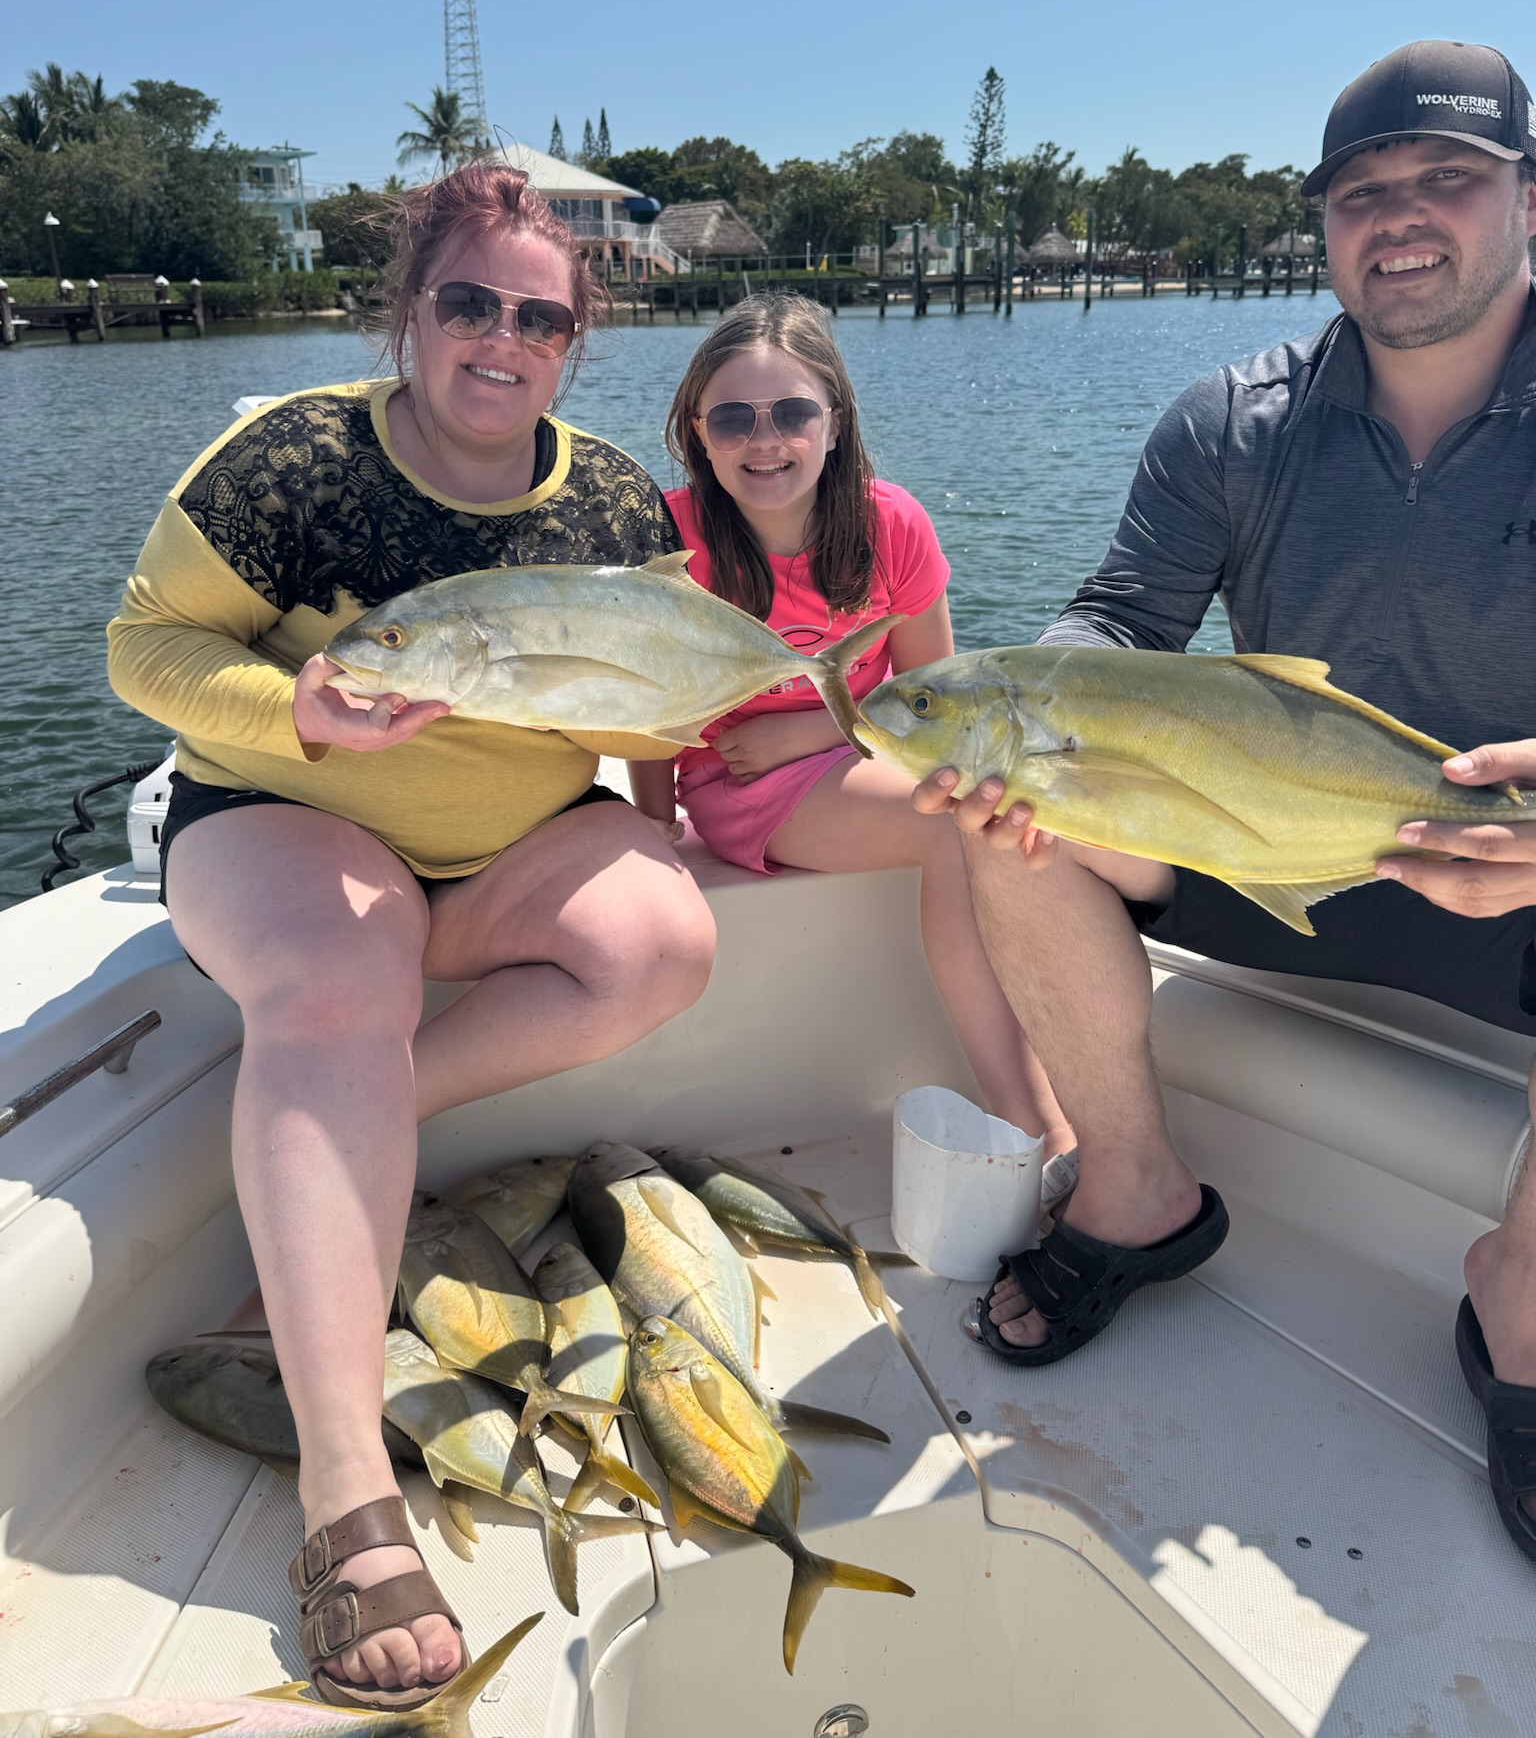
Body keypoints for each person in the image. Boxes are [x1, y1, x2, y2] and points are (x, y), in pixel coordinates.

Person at [912, 38, 1536, 1561]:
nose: (1401, 217)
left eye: (1446, 180)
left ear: (1527, 197)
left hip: (1518, 890)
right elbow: (1120, 613)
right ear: (1322, 225)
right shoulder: (1228, 420)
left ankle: (1519, 1296)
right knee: (1017, 818)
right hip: (1276, 864)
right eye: (1362, 193)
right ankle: (1131, 1191)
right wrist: (1029, 704)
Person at [106, 165, 716, 1706]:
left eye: (541, 317)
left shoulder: (614, 496)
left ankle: (360, 1133)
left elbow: (653, 681)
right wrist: (291, 709)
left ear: (576, 342)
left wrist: (683, 773)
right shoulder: (290, 457)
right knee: (341, 978)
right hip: (285, 823)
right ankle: (341, 1495)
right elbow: (142, 645)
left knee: (664, 942)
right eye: (468, 303)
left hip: (503, 845)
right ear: (410, 311)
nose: (501, 340)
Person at [628, 294, 1073, 1162]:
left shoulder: (891, 524)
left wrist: (814, 736)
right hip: (739, 783)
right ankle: (1039, 1128)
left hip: (850, 754)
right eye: (734, 419)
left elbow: (935, 703)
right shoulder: (670, 538)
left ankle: (1063, 1096)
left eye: (793, 412)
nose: (766, 441)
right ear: (697, 430)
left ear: (834, 421)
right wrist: (652, 828)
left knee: (1009, 822)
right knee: (951, 833)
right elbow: (644, 710)